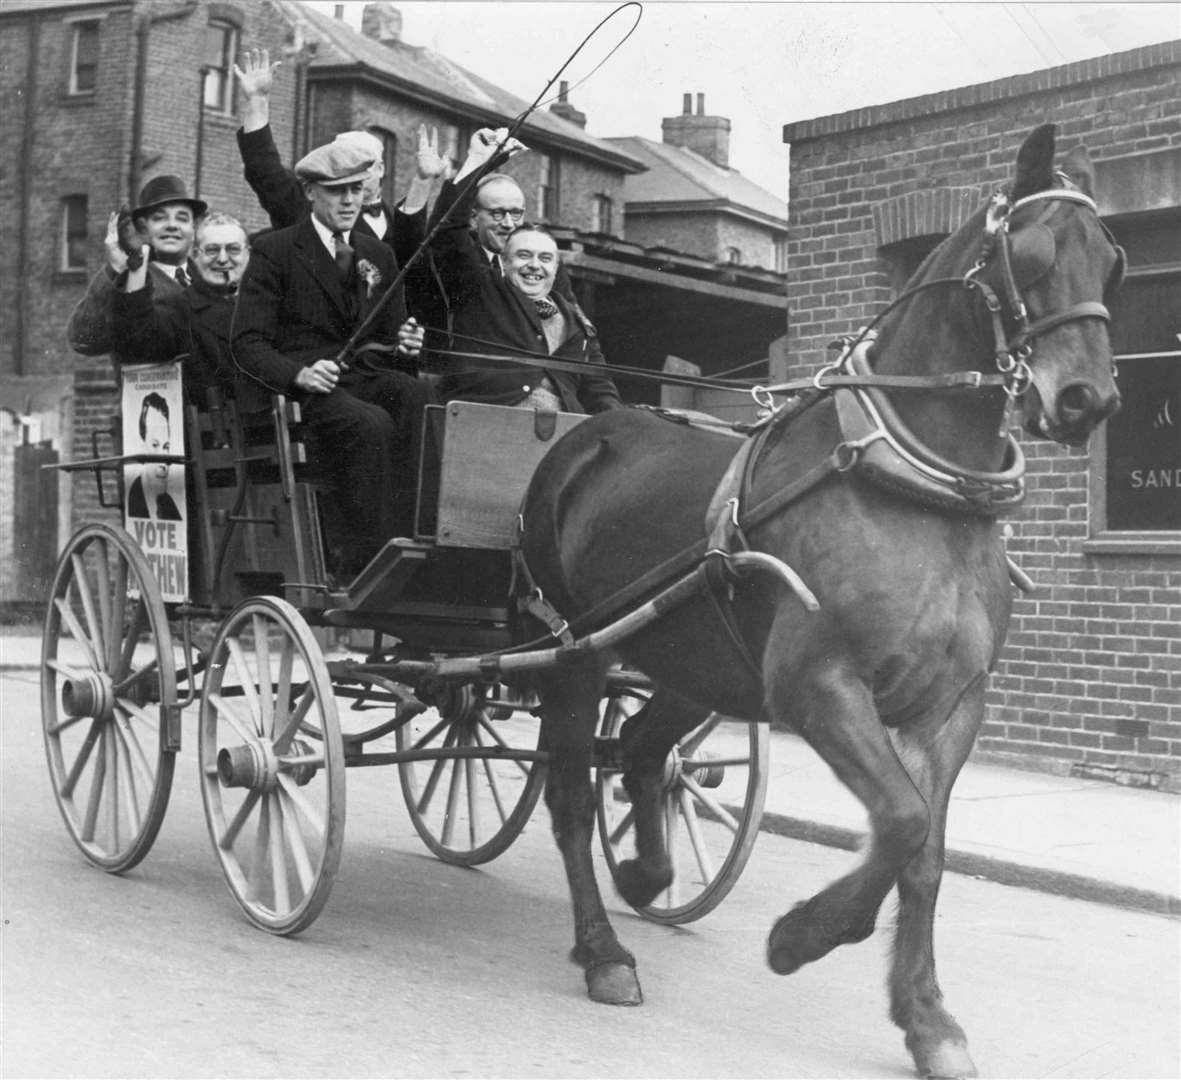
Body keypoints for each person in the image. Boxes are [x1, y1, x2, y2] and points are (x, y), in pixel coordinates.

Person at [231, 139, 435, 575]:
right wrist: (299, 374)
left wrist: (405, 344)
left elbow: (391, 340)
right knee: (370, 422)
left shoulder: (377, 253)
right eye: (336, 191)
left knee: (419, 397)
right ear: (310, 192)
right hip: (302, 394)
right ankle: (367, 558)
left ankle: (421, 538)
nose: (348, 201)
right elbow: (247, 344)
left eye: (356, 190)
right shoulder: (276, 250)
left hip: (360, 378)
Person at [232, 47, 442, 328]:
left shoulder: (396, 225)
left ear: (381, 169)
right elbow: (264, 169)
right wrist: (257, 101)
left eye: (362, 167)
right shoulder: (305, 209)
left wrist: (424, 180)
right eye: (341, 166)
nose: (350, 177)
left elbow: (413, 263)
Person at [428, 131, 623, 414]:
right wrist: (478, 161)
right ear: (505, 263)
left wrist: (615, 419)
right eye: (523, 256)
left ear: (556, 267)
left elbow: (596, 378)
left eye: (545, 258)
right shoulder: (483, 286)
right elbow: (446, 232)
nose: (535, 265)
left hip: (565, 427)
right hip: (494, 417)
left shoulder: (567, 312)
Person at [111, 211, 254, 408]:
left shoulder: (268, 302)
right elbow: (139, 342)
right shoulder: (181, 308)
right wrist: (137, 264)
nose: (222, 259)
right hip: (215, 430)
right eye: (211, 250)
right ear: (195, 255)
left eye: (233, 250)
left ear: (248, 254)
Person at [67, 175, 206, 364]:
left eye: (182, 218)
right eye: (159, 218)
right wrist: (116, 268)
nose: (172, 225)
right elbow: (82, 339)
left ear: (194, 228)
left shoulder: (208, 279)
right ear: (144, 228)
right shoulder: (128, 280)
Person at [127, 392, 182, 521]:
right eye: (155, 445)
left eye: (166, 447)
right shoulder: (135, 497)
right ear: (142, 446)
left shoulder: (167, 503)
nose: (164, 463)